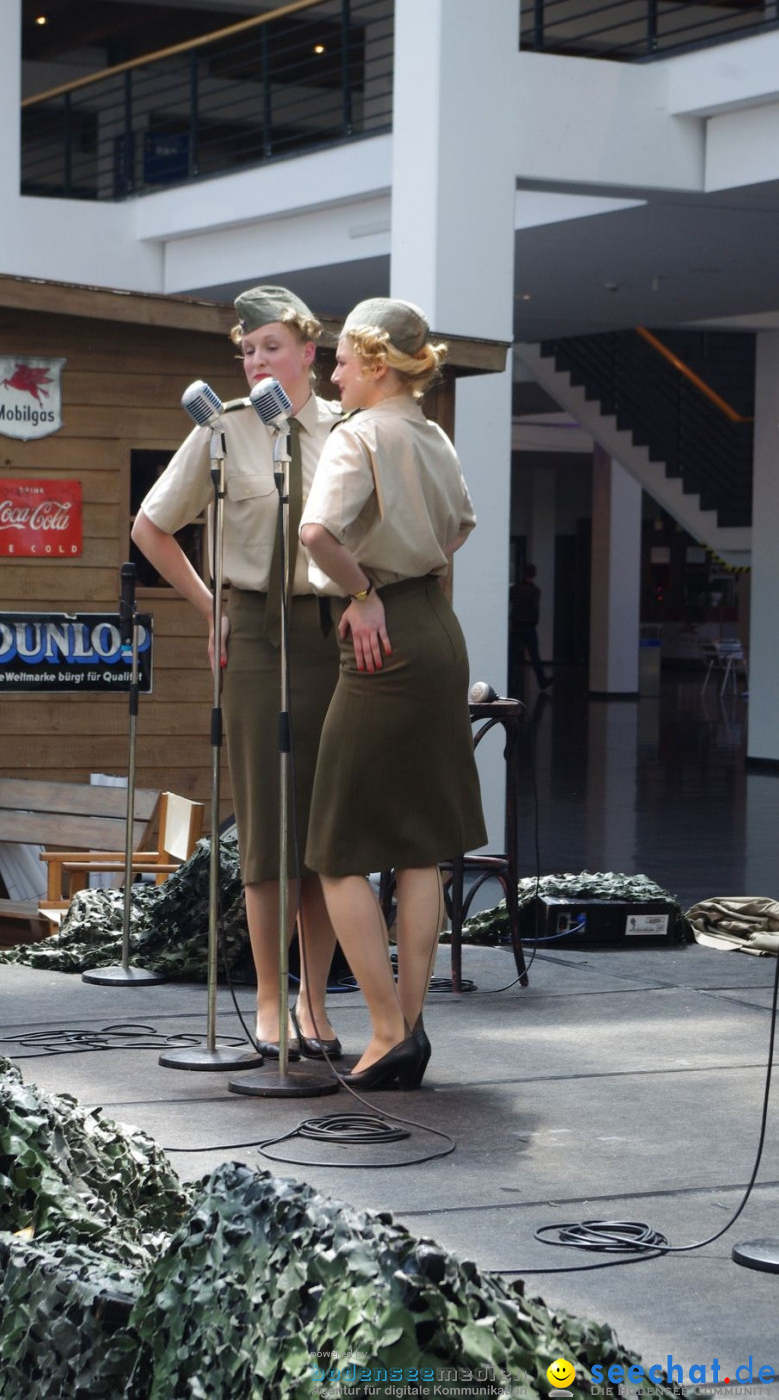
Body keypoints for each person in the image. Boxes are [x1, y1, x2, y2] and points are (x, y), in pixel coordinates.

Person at [131, 285, 343, 1060]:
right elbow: (150, 528)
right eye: (247, 349)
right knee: (267, 833)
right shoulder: (221, 429)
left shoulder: (345, 431)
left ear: (309, 351)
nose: (256, 359)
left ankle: (316, 1004)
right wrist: (207, 608)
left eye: (271, 346)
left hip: (331, 634)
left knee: (328, 836)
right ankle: (265, 999)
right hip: (254, 632)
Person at [299, 297, 487, 1090]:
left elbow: (315, 533)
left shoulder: (361, 434)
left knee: (337, 850)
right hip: (439, 633)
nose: (332, 371)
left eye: (342, 357)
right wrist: (406, 576)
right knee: (418, 849)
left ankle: (382, 1031)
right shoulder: (433, 434)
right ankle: (409, 1031)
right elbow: (462, 528)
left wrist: (364, 591)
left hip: (383, 642)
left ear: (377, 363)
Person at [509, 563, 552, 691]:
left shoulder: (515, 589)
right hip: (529, 627)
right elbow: (535, 610)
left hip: (516, 626)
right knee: (535, 656)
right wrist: (534, 623)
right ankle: (542, 681)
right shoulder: (535, 591)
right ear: (534, 575)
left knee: (511, 657)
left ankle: (508, 682)